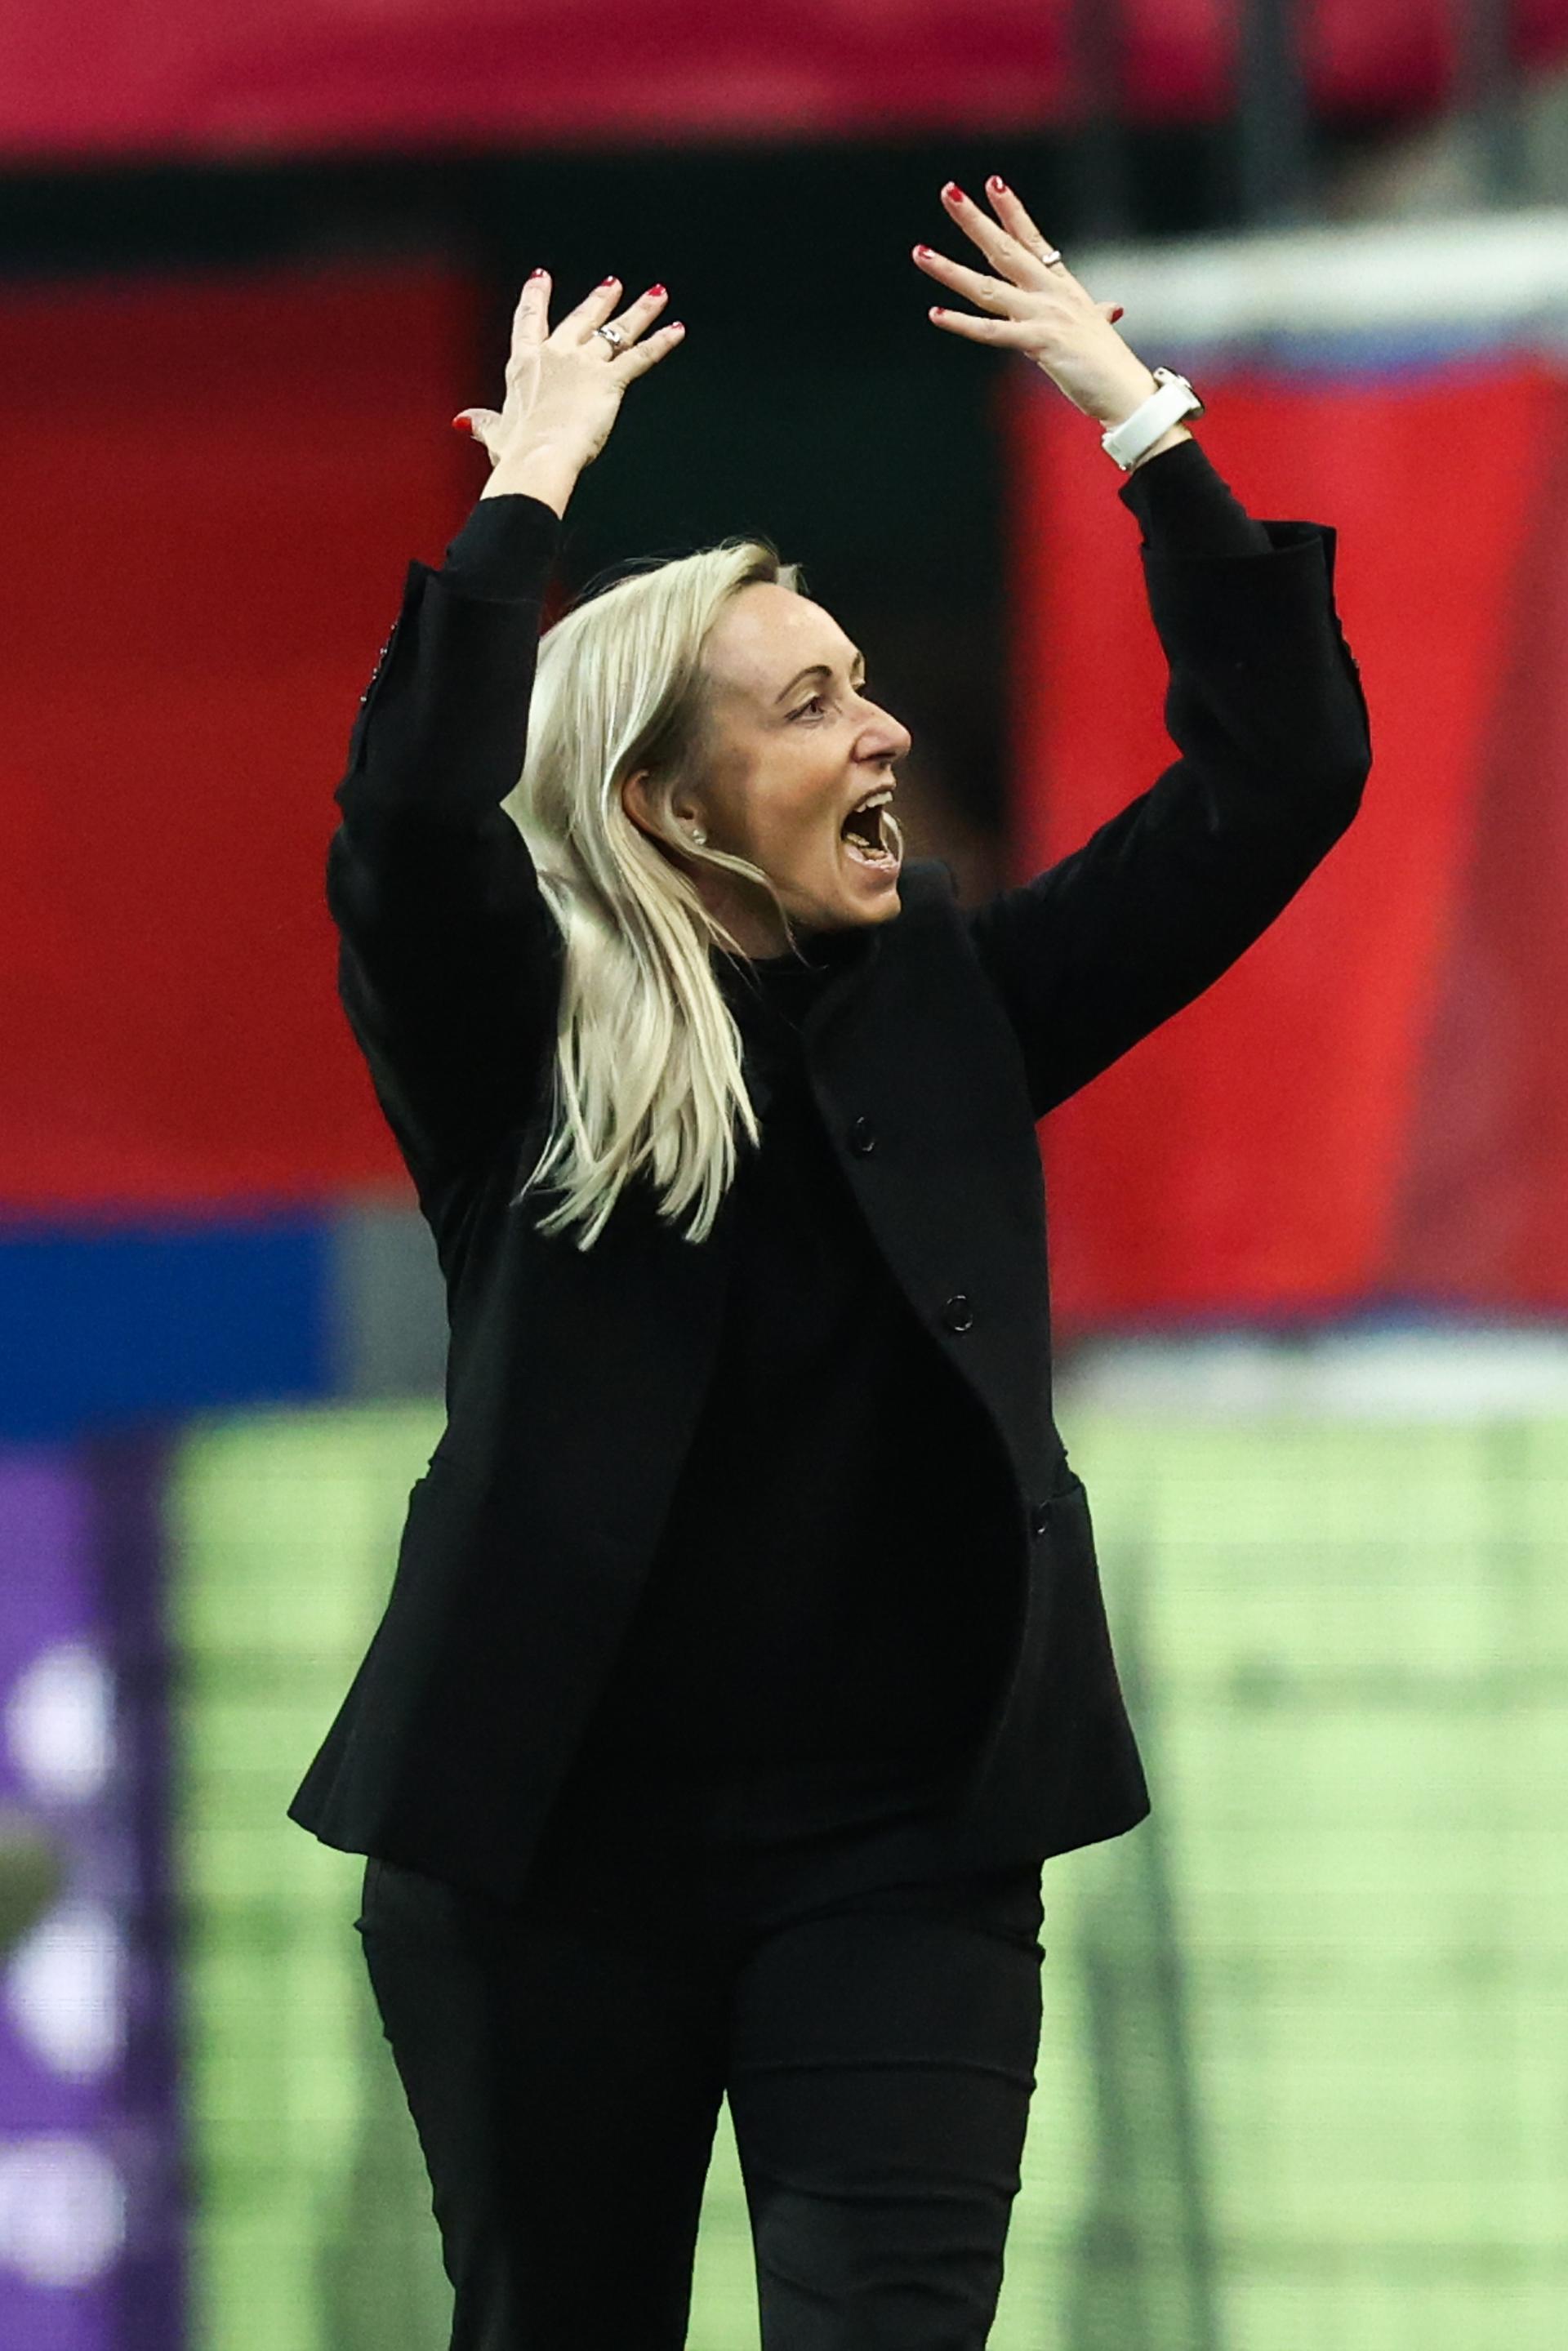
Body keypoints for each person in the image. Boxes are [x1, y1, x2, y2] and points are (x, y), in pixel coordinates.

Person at [288, 176, 1372, 2349]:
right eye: (804, 709)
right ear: (669, 808)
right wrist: (523, 494)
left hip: (904, 1843)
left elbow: (1283, 775)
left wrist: (1141, 419)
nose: (881, 734)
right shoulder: (521, 1054)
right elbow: (411, 827)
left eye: (863, 689)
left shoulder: (959, 1006)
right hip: (548, 1851)